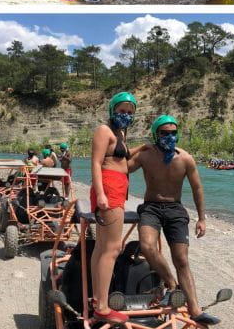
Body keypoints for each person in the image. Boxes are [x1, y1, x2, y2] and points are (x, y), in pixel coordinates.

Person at [128, 115, 213, 325]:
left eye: (173, 133)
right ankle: (171, 284)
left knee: (182, 260)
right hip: (151, 208)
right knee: (147, 246)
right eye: (164, 133)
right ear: (156, 134)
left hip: (175, 209)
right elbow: (122, 166)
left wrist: (202, 218)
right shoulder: (146, 156)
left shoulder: (185, 158)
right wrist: (141, 147)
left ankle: (195, 310)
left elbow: (197, 189)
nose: (169, 136)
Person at [90, 92, 137, 325]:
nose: (126, 115)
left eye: (129, 112)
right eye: (122, 111)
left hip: (117, 188)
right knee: (112, 248)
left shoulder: (120, 134)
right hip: (108, 189)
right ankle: (103, 307)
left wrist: (144, 150)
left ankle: (98, 299)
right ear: (112, 110)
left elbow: (123, 160)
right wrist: (100, 194)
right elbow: (96, 163)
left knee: (101, 247)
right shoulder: (104, 131)